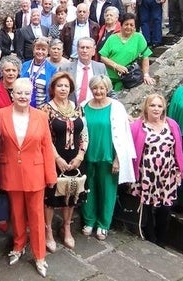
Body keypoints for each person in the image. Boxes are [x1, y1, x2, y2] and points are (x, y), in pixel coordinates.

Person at [0, 78, 57, 277]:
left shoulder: (40, 116)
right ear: (12, 94)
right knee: (16, 213)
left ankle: (39, 255)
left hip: (35, 173)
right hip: (10, 171)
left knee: (37, 216)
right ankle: (18, 245)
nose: (22, 96)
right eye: (19, 93)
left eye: (26, 93)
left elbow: (47, 146)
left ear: (31, 96)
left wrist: (51, 176)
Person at [82, 75, 136, 241]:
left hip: (108, 157)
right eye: (95, 88)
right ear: (91, 89)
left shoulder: (117, 107)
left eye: (102, 88)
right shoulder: (83, 106)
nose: (98, 91)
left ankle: (103, 224)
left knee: (107, 192)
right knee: (88, 190)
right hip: (88, 156)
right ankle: (89, 220)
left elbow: (124, 135)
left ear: (107, 89)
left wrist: (118, 159)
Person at [40, 72, 88, 251]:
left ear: (71, 89)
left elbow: (84, 133)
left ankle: (66, 227)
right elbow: (45, 137)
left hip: (75, 158)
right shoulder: (46, 109)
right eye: (59, 85)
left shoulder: (77, 107)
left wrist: (80, 155)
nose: (63, 89)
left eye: (66, 86)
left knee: (71, 193)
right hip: (54, 158)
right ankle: (48, 231)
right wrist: (57, 158)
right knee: (51, 197)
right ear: (53, 88)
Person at [130, 94, 183, 247]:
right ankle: (150, 236)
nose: (156, 109)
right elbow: (130, 148)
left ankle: (161, 239)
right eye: (153, 105)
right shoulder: (137, 126)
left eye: (159, 106)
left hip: (168, 173)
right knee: (147, 205)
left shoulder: (171, 124)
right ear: (146, 107)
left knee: (165, 208)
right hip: (147, 173)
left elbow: (177, 148)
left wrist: (180, 169)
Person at [99, 13, 155, 90]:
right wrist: (116, 66)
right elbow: (103, 57)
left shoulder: (139, 37)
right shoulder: (112, 38)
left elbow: (145, 56)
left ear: (135, 27)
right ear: (121, 25)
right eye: (126, 24)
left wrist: (146, 75)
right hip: (109, 78)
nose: (129, 27)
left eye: (131, 25)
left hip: (128, 79)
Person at [59, 37, 107, 105]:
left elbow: (108, 90)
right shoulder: (65, 68)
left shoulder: (101, 68)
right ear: (77, 50)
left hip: (95, 107)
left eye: (88, 48)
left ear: (93, 51)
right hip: (70, 108)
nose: (84, 50)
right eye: (82, 47)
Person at [20, 37, 57, 108]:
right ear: (33, 50)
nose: (40, 52)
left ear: (47, 52)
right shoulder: (25, 65)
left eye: (43, 49)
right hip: (23, 107)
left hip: (41, 109)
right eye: (38, 49)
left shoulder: (52, 69)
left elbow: (53, 92)